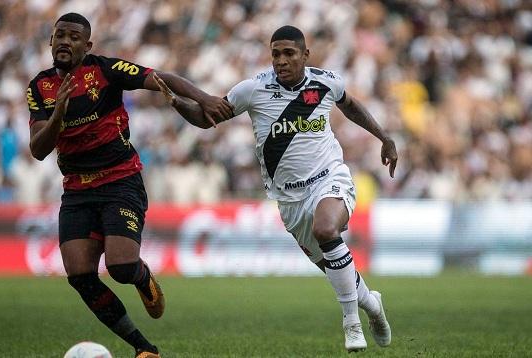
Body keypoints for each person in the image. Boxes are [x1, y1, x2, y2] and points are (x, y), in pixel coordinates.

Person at [154, 25, 397, 353]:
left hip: (329, 178)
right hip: (289, 200)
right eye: (275, 54)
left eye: (289, 53)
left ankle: (352, 324)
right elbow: (205, 117)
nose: (281, 61)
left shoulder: (325, 82)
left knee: (327, 229)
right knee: (335, 266)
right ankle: (372, 305)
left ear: (305, 55)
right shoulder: (251, 90)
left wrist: (384, 137)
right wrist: (174, 101)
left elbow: (350, 105)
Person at [26, 13, 233, 358]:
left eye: (74, 37)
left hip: (120, 180)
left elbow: (160, 77)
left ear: (87, 46)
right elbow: (37, 149)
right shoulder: (40, 87)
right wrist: (58, 115)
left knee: (121, 267)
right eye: (59, 35)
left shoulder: (105, 71)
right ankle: (144, 348)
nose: (65, 41)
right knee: (79, 275)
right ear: (50, 42)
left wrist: (204, 98)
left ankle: (142, 278)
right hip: (76, 189)